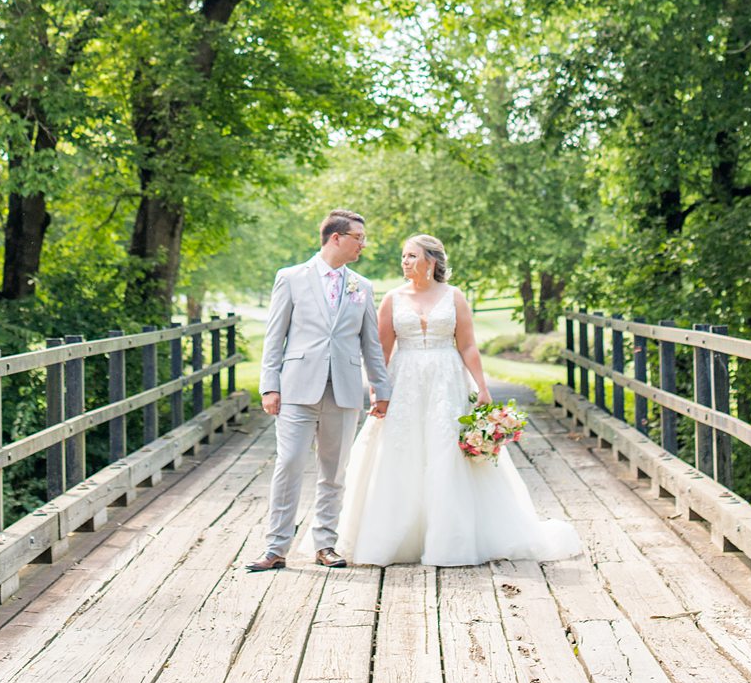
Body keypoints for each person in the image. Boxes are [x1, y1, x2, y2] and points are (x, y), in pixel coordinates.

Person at [335, 233, 581, 566]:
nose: (404, 261)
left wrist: (482, 387)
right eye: (404, 256)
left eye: (410, 256)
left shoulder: (454, 297)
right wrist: (379, 392)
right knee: (401, 450)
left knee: (446, 450)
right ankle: (395, 539)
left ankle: (450, 539)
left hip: (446, 381)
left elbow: (467, 345)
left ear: (430, 260)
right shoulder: (392, 298)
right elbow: (382, 350)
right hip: (404, 381)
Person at [247, 208, 392, 571]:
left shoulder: (362, 286)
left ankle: (325, 544)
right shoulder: (291, 278)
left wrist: (381, 386)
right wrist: (270, 386)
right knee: (290, 462)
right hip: (296, 388)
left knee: (334, 471)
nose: (364, 244)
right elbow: (274, 336)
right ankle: (276, 547)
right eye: (359, 237)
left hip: (343, 390)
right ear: (336, 238)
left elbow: (370, 343)